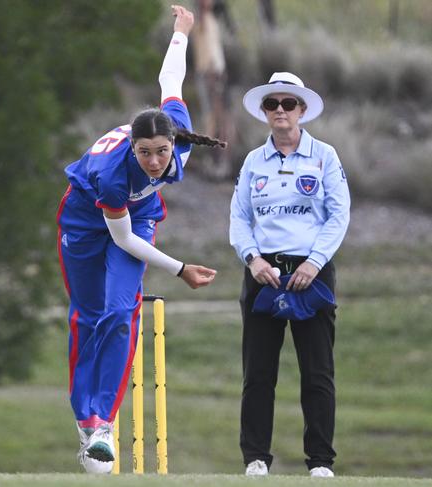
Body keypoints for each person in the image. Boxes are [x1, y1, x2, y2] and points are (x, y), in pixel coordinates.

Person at [57, 5, 225, 474]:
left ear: (173, 143)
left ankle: (101, 426)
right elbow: (123, 240)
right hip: (89, 220)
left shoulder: (179, 139)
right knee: (89, 317)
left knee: (119, 311)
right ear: (133, 149)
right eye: (145, 154)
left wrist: (182, 31)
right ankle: (84, 417)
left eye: (161, 152)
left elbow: (170, 79)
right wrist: (179, 268)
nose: (155, 162)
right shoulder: (113, 176)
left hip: (139, 218)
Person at [229, 72, 351, 478]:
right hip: (263, 272)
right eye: (272, 104)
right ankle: (256, 458)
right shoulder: (252, 161)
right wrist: (252, 259)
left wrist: (314, 263)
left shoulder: (325, 156)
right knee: (258, 372)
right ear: (265, 112)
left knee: (317, 371)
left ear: (301, 110)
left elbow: (338, 215)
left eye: (288, 104)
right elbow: (239, 218)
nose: (280, 111)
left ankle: (320, 461)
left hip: (310, 272)